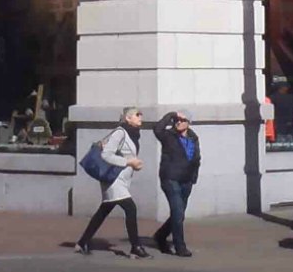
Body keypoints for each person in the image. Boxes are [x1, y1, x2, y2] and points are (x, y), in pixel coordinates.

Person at [76, 108, 151, 256]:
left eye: (140, 114)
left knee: (103, 211)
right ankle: (135, 247)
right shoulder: (120, 132)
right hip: (113, 179)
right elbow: (106, 155)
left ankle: (82, 243)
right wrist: (128, 162)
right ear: (127, 118)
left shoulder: (133, 135)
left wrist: (133, 164)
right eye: (137, 114)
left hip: (121, 179)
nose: (140, 117)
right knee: (131, 208)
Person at [150, 108, 201, 256]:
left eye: (182, 120)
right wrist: (171, 114)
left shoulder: (193, 138)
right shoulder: (168, 136)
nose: (178, 122)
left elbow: (197, 159)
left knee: (179, 215)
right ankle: (180, 247)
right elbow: (157, 128)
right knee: (178, 212)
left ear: (189, 123)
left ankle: (160, 236)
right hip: (170, 178)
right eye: (176, 120)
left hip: (187, 180)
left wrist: (193, 177)